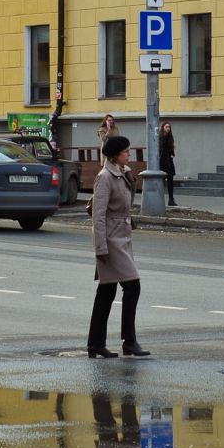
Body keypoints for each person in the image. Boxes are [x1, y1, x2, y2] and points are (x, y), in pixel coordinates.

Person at [88, 135, 148, 359]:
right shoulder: (105, 177)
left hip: (122, 236)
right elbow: (98, 214)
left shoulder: (121, 173)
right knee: (132, 286)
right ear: (115, 155)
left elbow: (125, 204)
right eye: (126, 152)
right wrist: (100, 247)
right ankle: (129, 341)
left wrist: (130, 179)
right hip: (111, 240)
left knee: (107, 291)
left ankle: (95, 343)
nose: (129, 155)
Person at [158, 121, 178, 206]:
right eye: (166, 127)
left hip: (169, 161)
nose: (168, 128)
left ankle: (171, 199)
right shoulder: (160, 138)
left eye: (169, 127)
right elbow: (159, 150)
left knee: (170, 181)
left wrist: (172, 154)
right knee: (160, 181)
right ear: (162, 127)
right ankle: (159, 199)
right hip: (162, 161)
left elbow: (171, 149)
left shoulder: (170, 138)